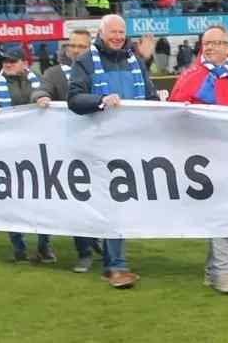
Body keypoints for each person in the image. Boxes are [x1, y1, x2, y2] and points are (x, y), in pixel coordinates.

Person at [68, 14, 159, 289]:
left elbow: (152, 97)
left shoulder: (136, 61)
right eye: (113, 32)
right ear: (101, 32)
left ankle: (110, 259)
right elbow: (74, 98)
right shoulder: (85, 61)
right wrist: (100, 100)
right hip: (99, 145)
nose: (118, 37)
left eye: (122, 32)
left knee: (119, 204)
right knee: (112, 203)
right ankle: (114, 265)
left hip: (132, 144)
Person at [170, 25, 228, 295]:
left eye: (217, 43)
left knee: (227, 213)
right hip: (204, 159)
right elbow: (172, 113)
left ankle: (213, 271)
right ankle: (224, 271)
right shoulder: (191, 77)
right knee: (224, 213)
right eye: (206, 43)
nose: (210, 48)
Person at [30, 28, 102, 273]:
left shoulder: (98, 70)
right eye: (73, 46)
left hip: (100, 146)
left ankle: (100, 243)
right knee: (77, 202)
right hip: (70, 149)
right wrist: (41, 96)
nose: (76, 51)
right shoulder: (55, 73)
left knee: (103, 199)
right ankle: (84, 253)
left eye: (82, 47)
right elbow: (42, 88)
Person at [0, 48, 56, 264]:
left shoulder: (39, 80)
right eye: (4, 61)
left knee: (42, 199)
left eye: (12, 61)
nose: (7, 64)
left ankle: (44, 244)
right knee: (12, 199)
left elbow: (49, 95)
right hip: (10, 151)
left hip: (37, 149)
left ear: (24, 63)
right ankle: (19, 247)